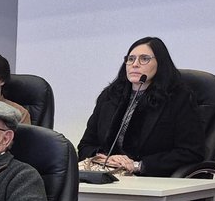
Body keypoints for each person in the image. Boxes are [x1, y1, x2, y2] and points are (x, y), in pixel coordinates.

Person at [78, 36, 204, 177]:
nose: (135, 64)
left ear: (160, 63)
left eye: (144, 59)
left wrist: (139, 165)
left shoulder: (178, 98)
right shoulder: (110, 96)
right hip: (109, 175)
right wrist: (106, 159)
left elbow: (191, 152)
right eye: (130, 59)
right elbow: (85, 145)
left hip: (152, 179)